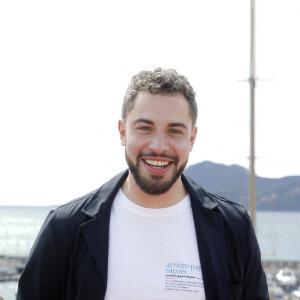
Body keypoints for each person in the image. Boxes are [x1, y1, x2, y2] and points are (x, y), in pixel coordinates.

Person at [17, 68, 269, 300]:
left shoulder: (233, 228)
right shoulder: (64, 229)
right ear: (122, 132)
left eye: (175, 131)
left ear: (191, 138)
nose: (159, 146)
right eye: (145, 128)